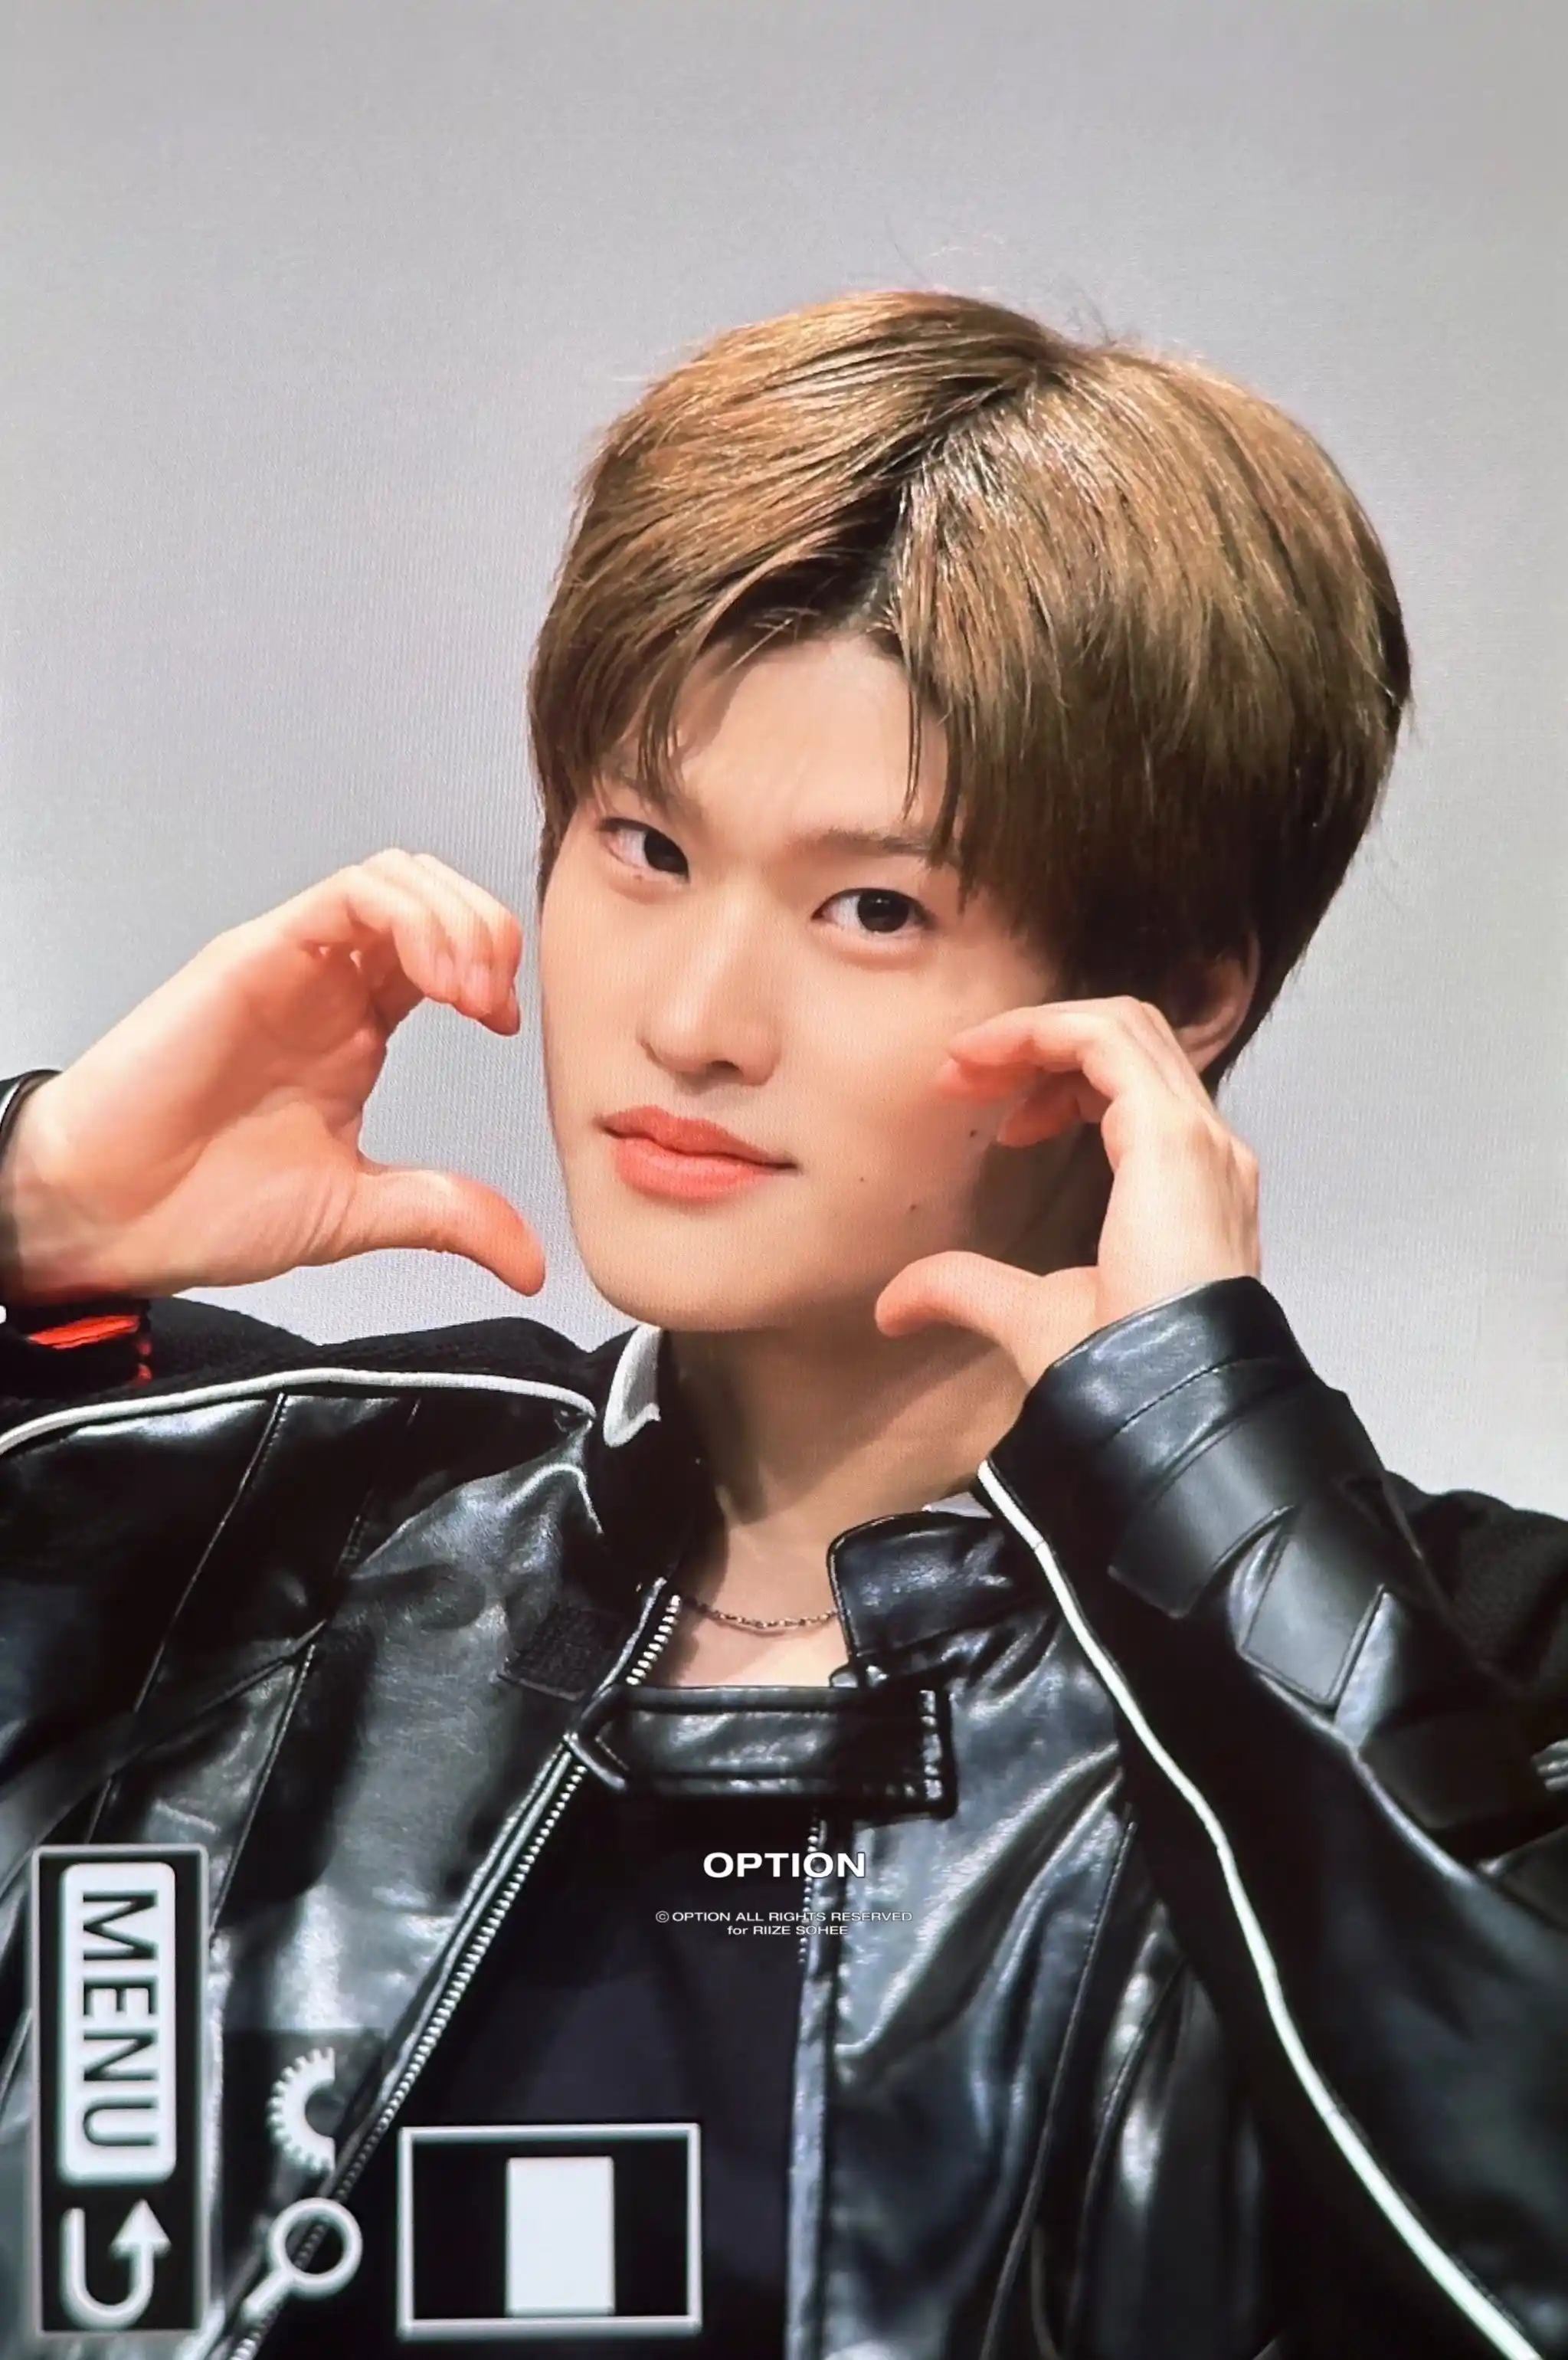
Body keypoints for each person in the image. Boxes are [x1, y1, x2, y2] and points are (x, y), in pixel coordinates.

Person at [0, 290, 1565, 2360]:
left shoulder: (1459, 1664)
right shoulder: (212, 1517)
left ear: (1177, 996)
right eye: (644, 847)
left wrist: (1213, 1490)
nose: (691, 1020)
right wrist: (26, 1209)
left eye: (871, 909)